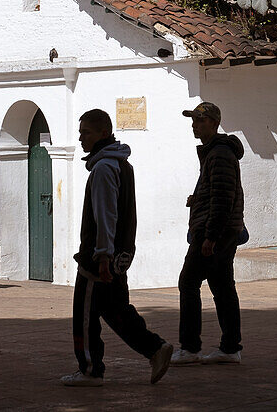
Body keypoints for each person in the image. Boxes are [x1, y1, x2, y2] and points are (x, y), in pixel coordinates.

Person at [61, 109, 173, 388]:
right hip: (120, 256)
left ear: (103, 133)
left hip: (100, 258)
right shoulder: (123, 165)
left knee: (84, 315)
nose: (81, 138)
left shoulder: (103, 168)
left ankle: (89, 369)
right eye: (80, 132)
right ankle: (155, 349)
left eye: (86, 132)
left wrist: (102, 255)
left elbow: (105, 214)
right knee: (116, 309)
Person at [171, 102, 245, 366]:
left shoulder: (220, 154)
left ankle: (190, 347)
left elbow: (224, 197)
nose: (195, 124)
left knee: (188, 282)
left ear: (214, 123)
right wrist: (198, 198)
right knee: (223, 288)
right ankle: (230, 348)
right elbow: (216, 191)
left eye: (200, 120)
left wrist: (210, 237)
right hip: (221, 230)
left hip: (214, 232)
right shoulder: (214, 153)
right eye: (194, 120)